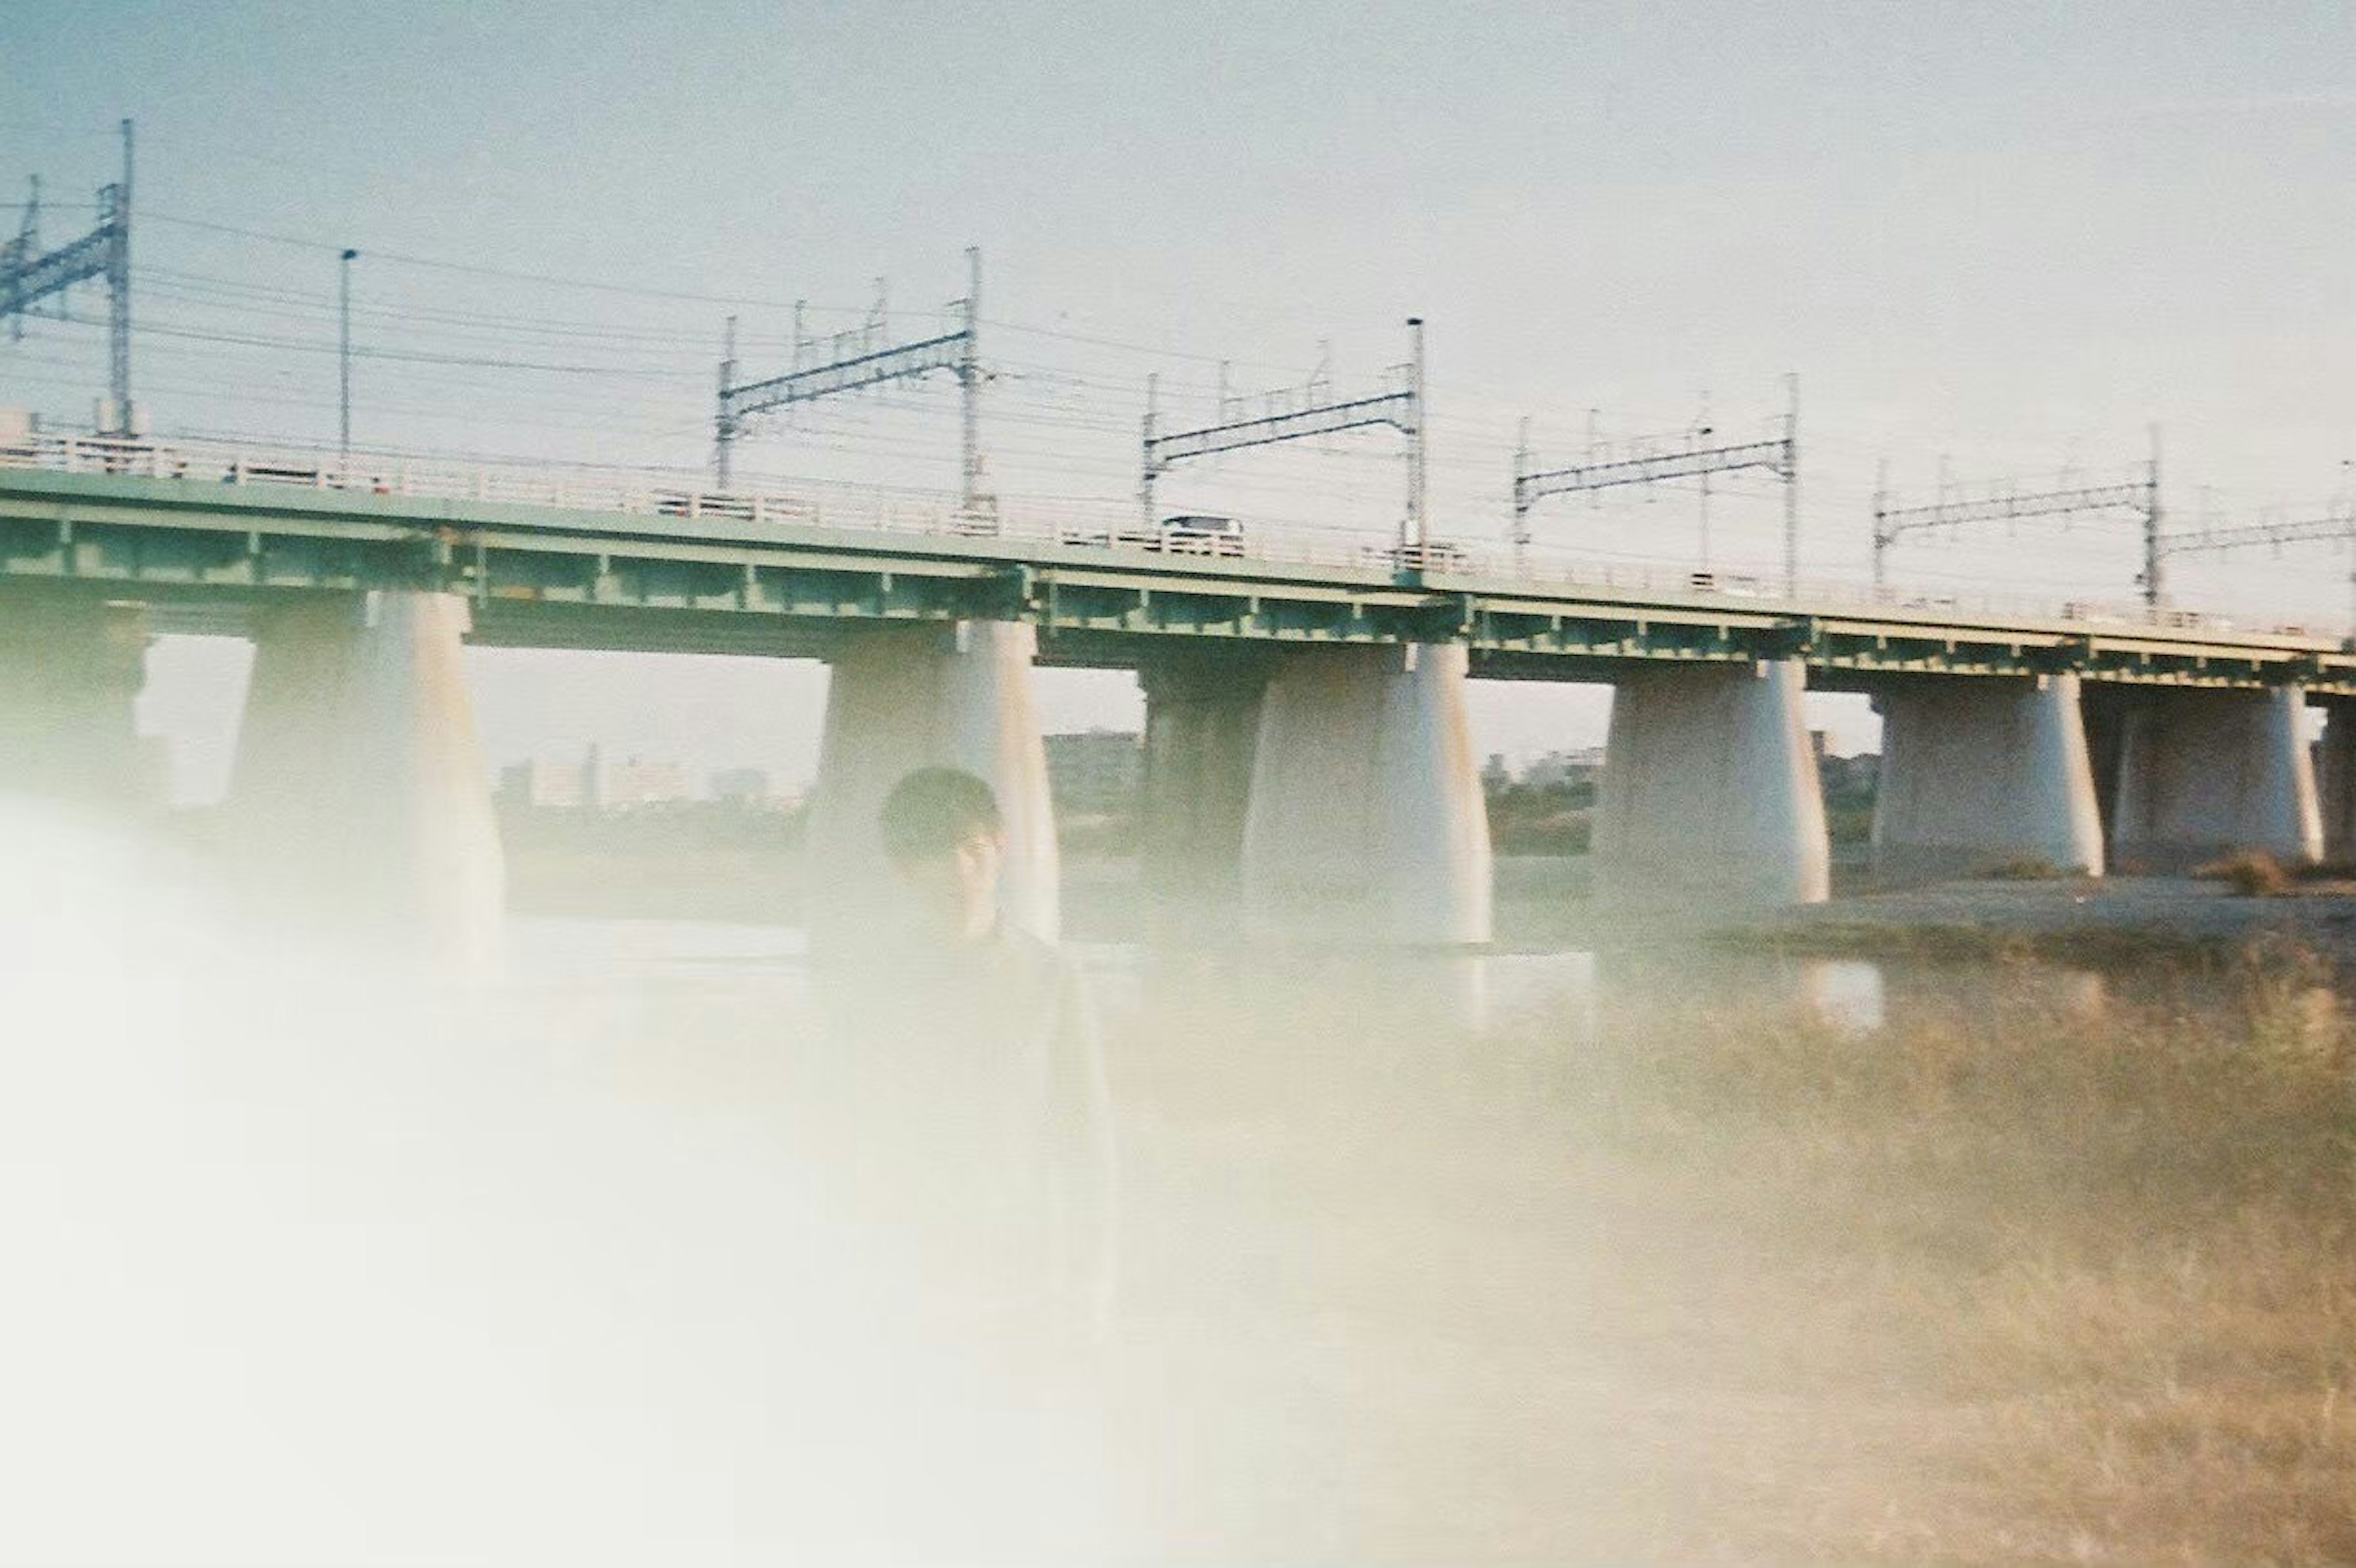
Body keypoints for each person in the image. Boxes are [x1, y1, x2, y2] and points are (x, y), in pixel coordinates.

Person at [832, 765, 1118, 1352]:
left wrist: (1090, 1286)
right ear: (903, 867)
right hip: (899, 1277)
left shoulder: (1053, 978)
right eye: (938, 855)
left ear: (1001, 848)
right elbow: (833, 1132)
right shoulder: (868, 985)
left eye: (973, 848)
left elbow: (1085, 1142)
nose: (961, 871)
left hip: (1020, 1277)